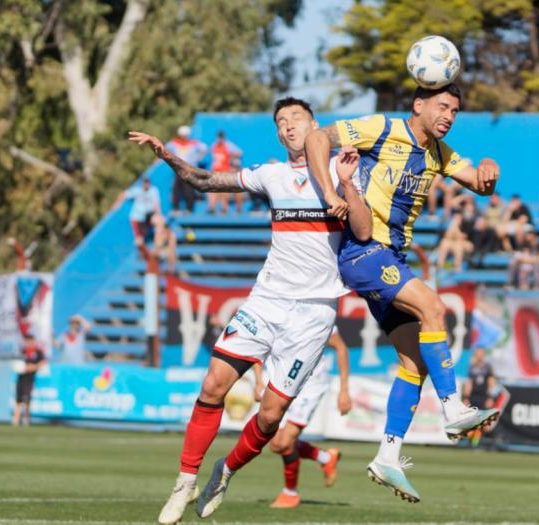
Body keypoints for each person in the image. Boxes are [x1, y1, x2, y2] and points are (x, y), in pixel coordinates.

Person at [129, 96, 370, 523]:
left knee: (272, 416)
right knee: (212, 386)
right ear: (278, 134)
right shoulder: (270, 174)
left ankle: (225, 470)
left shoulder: (343, 168)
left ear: (316, 125)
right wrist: (165, 153)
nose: (290, 125)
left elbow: (365, 230)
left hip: (314, 312)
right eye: (282, 121)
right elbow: (203, 181)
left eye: (297, 117)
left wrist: (348, 190)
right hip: (266, 299)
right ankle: (185, 481)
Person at [304, 83, 500, 503]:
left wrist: (487, 166)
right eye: (442, 106)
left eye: (455, 111)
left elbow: (480, 185)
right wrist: (327, 191)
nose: (449, 115)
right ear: (418, 105)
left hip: (390, 256)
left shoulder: (440, 155)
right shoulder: (381, 127)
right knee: (434, 306)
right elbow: (318, 137)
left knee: (414, 361)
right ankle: (453, 409)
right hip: (363, 250)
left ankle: (387, 456)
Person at [268, 330, 352, 509]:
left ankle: (290, 493)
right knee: (276, 444)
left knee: (286, 441)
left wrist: (344, 390)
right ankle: (325, 458)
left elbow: (341, 347)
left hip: (309, 386)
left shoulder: (318, 316)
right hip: (281, 382)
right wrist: (258, 381)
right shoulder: (276, 311)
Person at [167, 125, 208, 215]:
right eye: (183, 135)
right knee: (176, 189)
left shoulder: (193, 143)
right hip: (178, 169)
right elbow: (165, 149)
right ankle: (176, 209)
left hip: (190, 169)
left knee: (189, 189)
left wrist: (198, 158)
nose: (184, 137)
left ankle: (189, 209)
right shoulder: (175, 143)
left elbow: (205, 149)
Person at [462, 348, 497, 447]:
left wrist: (490, 397)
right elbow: (469, 383)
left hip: (483, 397)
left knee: (482, 420)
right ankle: (469, 441)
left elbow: (492, 383)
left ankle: (476, 442)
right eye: (478, 354)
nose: (479, 356)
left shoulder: (487, 367)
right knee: (471, 419)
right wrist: (466, 397)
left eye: (481, 354)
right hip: (473, 396)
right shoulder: (472, 367)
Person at [115, 176, 161, 247]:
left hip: (149, 215)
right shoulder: (137, 190)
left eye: (147, 182)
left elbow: (156, 204)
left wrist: (158, 214)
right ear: (142, 183)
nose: (146, 184)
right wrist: (117, 204)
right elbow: (124, 194)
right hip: (138, 216)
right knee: (138, 236)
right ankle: (140, 239)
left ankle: (158, 241)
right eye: (145, 182)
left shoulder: (153, 190)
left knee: (158, 221)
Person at [12, 331, 46, 427]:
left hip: (29, 379)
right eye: (27, 340)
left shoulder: (38, 352)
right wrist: (21, 368)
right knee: (18, 399)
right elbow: (17, 363)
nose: (28, 342)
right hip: (21, 378)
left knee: (27, 399)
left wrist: (32, 367)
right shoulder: (23, 351)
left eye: (30, 340)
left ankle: (26, 419)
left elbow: (42, 362)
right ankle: (16, 419)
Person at [208, 131, 244, 215]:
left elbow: (239, 152)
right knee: (213, 189)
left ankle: (225, 207)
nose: (220, 139)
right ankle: (212, 207)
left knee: (224, 190)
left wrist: (231, 157)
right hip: (215, 170)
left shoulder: (228, 145)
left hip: (225, 170)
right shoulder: (214, 145)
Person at [436, 199, 475, 270]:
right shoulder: (451, 220)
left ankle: (457, 269)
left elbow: (463, 237)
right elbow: (446, 236)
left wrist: (456, 227)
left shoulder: (470, 221)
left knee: (458, 245)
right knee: (444, 243)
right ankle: (439, 268)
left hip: (466, 244)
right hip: (453, 241)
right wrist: (453, 225)